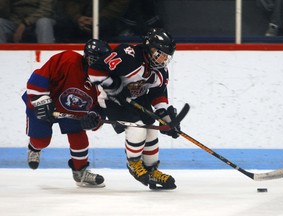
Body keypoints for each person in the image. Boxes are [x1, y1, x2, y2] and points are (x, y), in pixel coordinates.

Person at [88, 28, 180, 190]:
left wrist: (164, 116)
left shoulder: (160, 70)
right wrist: (114, 86)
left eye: (166, 56)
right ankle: (134, 163)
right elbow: (95, 71)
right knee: (137, 128)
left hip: (136, 98)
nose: (163, 59)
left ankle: (151, 169)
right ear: (148, 47)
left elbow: (158, 93)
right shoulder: (128, 55)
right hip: (113, 99)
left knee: (151, 128)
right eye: (160, 54)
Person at [22, 39, 112, 187]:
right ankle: (34, 148)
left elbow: (101, 109)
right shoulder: (68, 59)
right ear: (86, 56)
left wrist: (95, 118)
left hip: (72, 110)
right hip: (45, 101)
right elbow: (38, 78)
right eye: (93, 59)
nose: (96, 64)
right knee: (41, 141)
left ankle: (80, 172)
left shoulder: (104, 81)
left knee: (79, 137)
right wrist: (41, 100)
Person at [55, 0, 130, 43]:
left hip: (108, 23)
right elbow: (69, 3)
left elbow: (119, 3)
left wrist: (98, 18)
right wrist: (77, 17)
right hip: (76, 24)